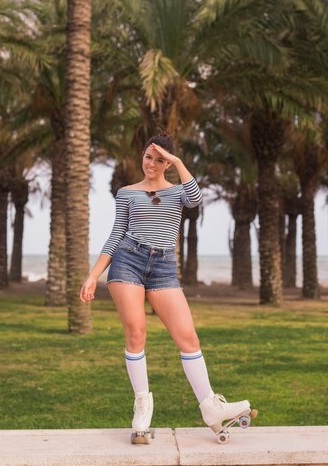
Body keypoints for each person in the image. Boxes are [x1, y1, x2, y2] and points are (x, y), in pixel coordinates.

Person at [80, 133, 252, 443]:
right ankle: (143, 403)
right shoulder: (127, 193)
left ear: (168, 163)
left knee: (188, 337)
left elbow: (196, 199)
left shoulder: (177, 193)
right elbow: (116, 234)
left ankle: (210, 406)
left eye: (160, 160)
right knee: (136, 332)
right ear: (141, 156)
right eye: (149, 157)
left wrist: (178, 162)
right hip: (127, 261)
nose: (152, 164)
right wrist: (93, 275)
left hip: (163, 267)